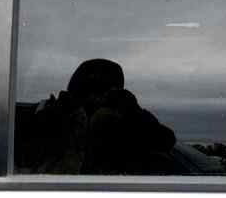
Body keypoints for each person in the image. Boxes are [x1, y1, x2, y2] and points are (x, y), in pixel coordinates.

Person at [19, 58, 176, 175]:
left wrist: (133, 112)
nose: (95, 99)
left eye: (104, 94)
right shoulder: (51, 114)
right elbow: (24, 152)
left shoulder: (123, 124)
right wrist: (55, 116)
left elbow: (165, 141)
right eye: (88, 92)